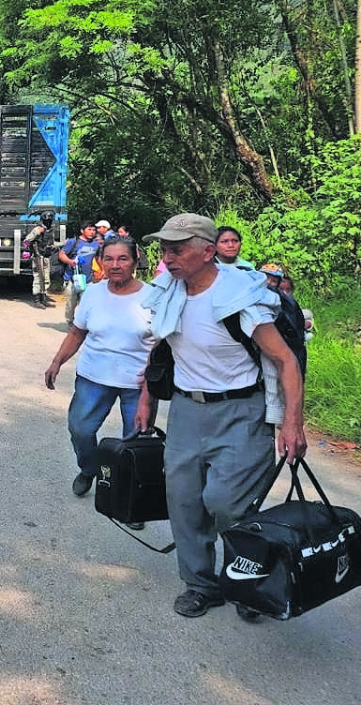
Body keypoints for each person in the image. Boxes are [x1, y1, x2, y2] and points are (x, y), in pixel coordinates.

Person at [136, 213, 306, 620]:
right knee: (185, 502)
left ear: (208, 251)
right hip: (187, 410)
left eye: (177, 249)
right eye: (164, 249)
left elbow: (285, 361)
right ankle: (201, 585)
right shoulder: (168, 293)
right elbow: (162, 352)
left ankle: (250, 583)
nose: (168, 257)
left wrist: (291, 423)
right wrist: (146, 400)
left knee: (227, 503)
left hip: (241, 412)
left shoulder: (239, 298)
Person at [45, 237, 155, 504]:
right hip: (93, 377)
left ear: (135, 260)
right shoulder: (93, 293)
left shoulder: (154, 297)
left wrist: (151, 386)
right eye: (109, 259)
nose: (115, 265)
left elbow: (163, 345)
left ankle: (129, 497)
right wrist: (57, 361)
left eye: (123, 259)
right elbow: (77, 332)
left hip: (137, 384)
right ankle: (89, 468)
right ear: (100, 261)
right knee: (80, 429)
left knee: (136, 441)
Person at [58, 222, 100, 326]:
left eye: (94, 230)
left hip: (88, 280)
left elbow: (99, 258)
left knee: (86, 304)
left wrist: (102, 270)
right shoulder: (74, 242)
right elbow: (62, 255)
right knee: (70, 304)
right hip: (72, 279)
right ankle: (70, 322)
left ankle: (82, 325)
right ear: (82, 230)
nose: (92, 232)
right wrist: (70, 262)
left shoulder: (96, 244)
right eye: (89, 229)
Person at [24, 210, 56, 308]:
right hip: (37, 257)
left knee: (46, 278)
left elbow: (51, 243)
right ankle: (36, 300)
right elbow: (27, 240)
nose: (48, 222)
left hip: (46, 256)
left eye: (50, 220)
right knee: (38, 278)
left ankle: (43, 298)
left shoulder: (50, 231)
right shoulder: (37, 229)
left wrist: (56, 246)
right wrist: (38, 232)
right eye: (47, 220)